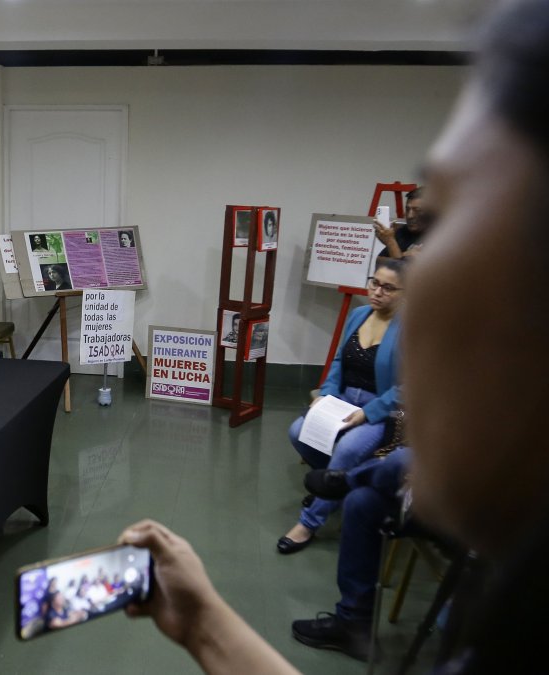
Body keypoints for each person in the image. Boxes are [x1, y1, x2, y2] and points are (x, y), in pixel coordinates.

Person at [118, 2, 549, 671]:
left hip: (361, 420)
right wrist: (204, 624)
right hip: (345, 413)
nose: (410, 280)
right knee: (348, 462)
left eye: (442, 226)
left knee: (351, 457)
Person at [276, 258, 405, 554]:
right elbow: (338, 360)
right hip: (343, 399)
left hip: (380, 411)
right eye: (375, 282)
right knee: (298, 431)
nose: (378, 292)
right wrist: (327, 394)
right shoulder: (359, 314)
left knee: (346, 450)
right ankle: (334, 487)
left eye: (388, 288)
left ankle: (309, 522)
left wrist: (368, 413)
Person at [289, 445, 413, 660]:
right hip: (438, 494)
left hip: (480, 523)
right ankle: (354, 625)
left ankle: (348, 480)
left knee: (400, 459)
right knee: (361, 502)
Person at [374, 187, 430, 261]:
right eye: (407, 209)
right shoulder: (403, 232)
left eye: (417, 210)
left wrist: (391, 243)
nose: (410, 216)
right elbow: (379, 262)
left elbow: (403, 270)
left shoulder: (441, 237)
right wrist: (404, 255)